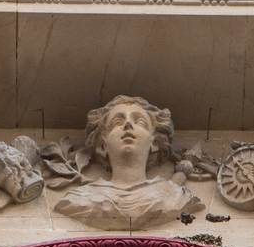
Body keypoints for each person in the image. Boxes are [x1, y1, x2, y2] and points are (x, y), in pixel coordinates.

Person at [53, 95, 204, 230]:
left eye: (140, 121)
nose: (128, 125)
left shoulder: (176, 197)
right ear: (102, 145)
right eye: (118, 122)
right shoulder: (79, 199)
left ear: (155, 143)